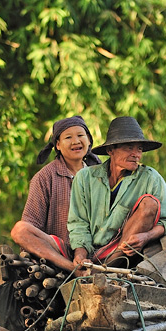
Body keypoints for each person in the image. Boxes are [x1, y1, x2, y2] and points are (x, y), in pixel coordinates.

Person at [66, 116, 166, 271]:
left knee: (149, 203)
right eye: (129, 148)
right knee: (23, 231)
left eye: (139, 149)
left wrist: (146, 237)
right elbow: (79, 223)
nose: (136, 154)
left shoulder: (150, 178)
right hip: (91, 252)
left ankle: (106, 268)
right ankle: (83, 268)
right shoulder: (85, 178)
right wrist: (80, 254)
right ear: (111, 150)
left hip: (123, 255)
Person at [10, 115, 101, 273]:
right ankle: (73, 269)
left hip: (97, 251)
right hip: (59, 251)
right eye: (68, 137)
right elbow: (31, 224)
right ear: (57, 145)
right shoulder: (45, 177)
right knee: (20, 229)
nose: (76, 141)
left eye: (80, 135)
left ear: (89, 140)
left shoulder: (101, 175)